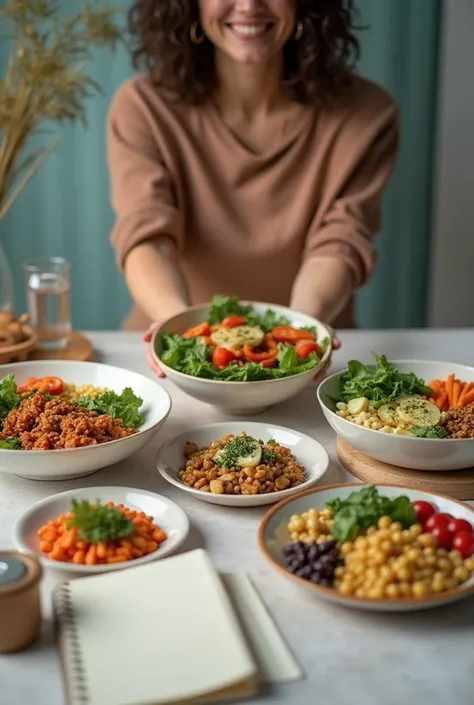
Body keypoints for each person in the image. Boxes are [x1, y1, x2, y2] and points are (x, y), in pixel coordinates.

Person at [107, 0, 399, 351]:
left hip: (310, 350)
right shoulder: (143, 106)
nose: (248, 6)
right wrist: (184, 336)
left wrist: (296, 334)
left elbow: (341, 240)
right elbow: (146, 235)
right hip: (166, 348)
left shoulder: (367, 115)